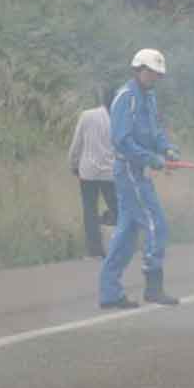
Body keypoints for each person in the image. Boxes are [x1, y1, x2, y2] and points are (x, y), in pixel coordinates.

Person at [99, 49, 182, 309]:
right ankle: (153, 286)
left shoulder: (149, 97)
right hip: (129, 172)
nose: (155, 78)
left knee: (125, 234)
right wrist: (152, 159)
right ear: (139, 70)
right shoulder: (126, 98)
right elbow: (121, 141)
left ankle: (109, 293)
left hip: (139, 170)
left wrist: (166, 149)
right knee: (156, 224)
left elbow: (155, 132)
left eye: (158, 75)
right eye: (152, 73)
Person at [69, 86, 119, 259]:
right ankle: (117, 244)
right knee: (116, 208)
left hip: (88, 171)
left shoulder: (87, 115)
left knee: (89, 210)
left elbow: (77, 143)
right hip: (110, 173)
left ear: (102, 98)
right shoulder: (119, 119)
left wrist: (73, 164)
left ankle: (95, 251)